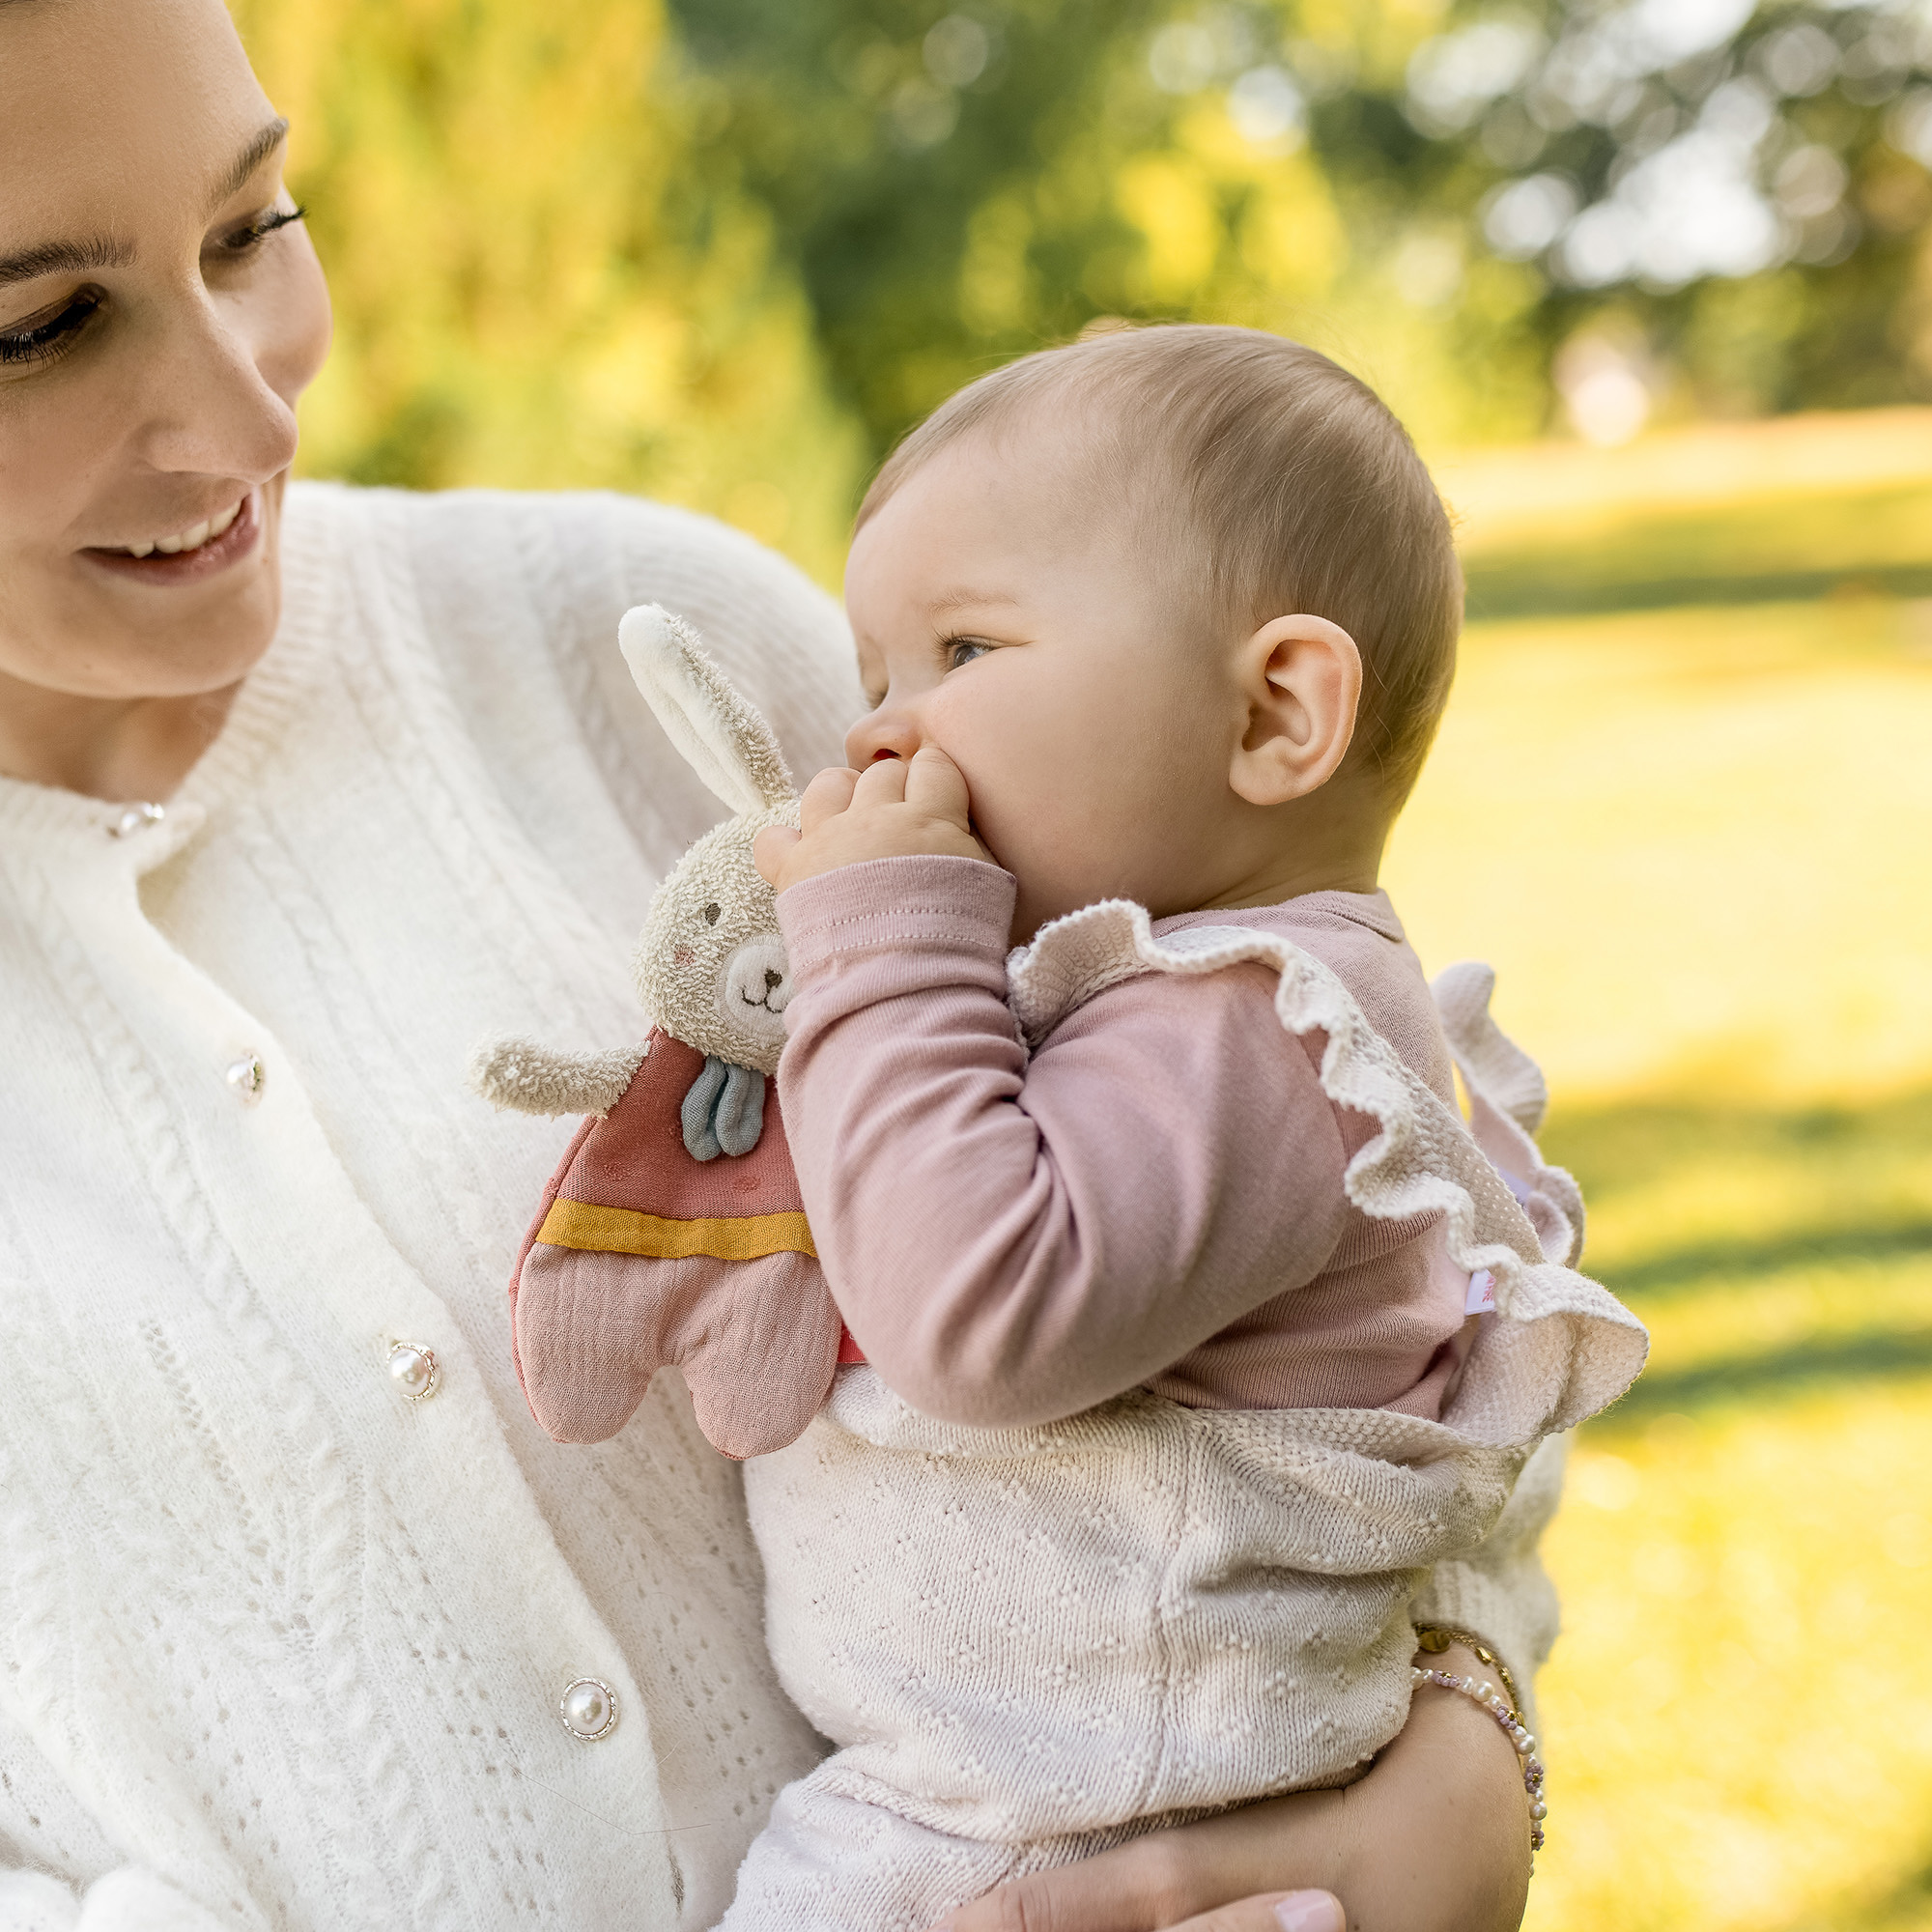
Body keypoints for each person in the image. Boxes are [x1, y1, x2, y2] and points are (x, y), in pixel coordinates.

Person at [0, 2, 1557, 1927]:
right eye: (43, 325)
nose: (252, 414)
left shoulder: (665, 659)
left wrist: (1466, 1757)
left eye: (255, 225)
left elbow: (1353, 1304)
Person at [708, 328, 1642, 1930]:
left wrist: (879, 938)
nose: (879, 738)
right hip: (1020, 1790)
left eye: (965, 653)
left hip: (1070, 1827)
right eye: (876, 678)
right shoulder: (1177, 1005)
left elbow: (977, 1314)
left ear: (1280, 711)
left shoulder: (1268, 1030)